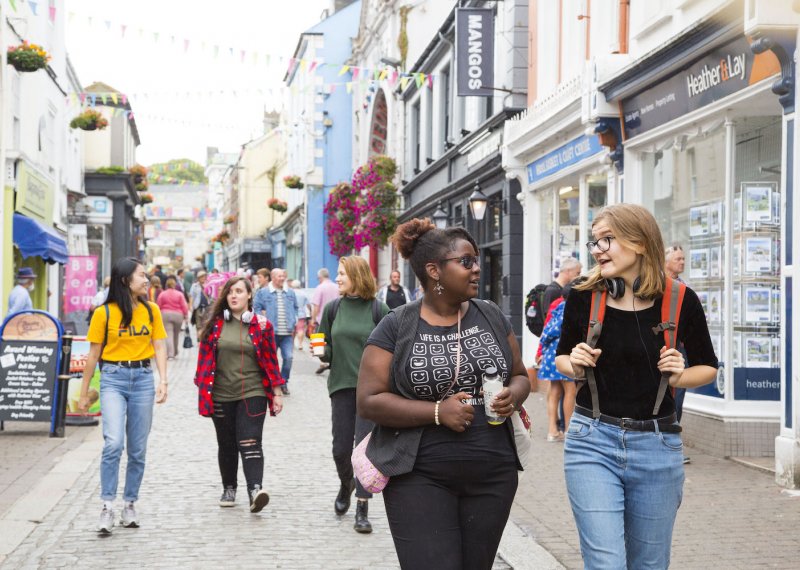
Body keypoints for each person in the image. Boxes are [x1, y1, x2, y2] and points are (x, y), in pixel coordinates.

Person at [358, 218, 530, 569]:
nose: (477, 269)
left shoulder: (491, 314)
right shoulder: (396, 325)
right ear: (434, 271)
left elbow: (519, 375)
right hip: (419, 476)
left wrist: (513, 395)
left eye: (477, 260)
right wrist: (437, 412)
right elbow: (369, 400)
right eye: (466, 262)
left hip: (492, 474)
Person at [555, 204, 718, 568]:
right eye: (594, 242)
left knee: (650, 564)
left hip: (658, 446)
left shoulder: (680, 300)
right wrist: (575, 363)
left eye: (607, 240)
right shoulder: (584, 294)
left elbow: (708, 368)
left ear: (640, 242)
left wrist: (680, 375)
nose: (597, 250)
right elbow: (561, 358)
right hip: (591, 442)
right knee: (607, 563)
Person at [78, 257, 169, 534]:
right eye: (141, 275)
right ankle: (107, 505)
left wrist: (163, 379)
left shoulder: (152, 311)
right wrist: (83, 394)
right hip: (113, 379)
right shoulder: (103, 314)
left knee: (138, 450)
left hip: (142, 379)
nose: (146, 279)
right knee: (113, 443)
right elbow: (93, 354)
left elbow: (160, 346)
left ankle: (129, 503)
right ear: (124, 281)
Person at [194, 276, 285, 513]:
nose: (233, 296)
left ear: (249, 296)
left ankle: (256, 490)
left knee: (250, 441)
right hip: (221, 394)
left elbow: (271, 361)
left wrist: (276, 392)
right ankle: (229, 487)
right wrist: (203, 388)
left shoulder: (262, 325)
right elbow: (203, 363)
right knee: (226, 444)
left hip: (252, 391)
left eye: (238, 291)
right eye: (230, 292)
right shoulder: (214, 325)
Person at [318, 256, 389, 534]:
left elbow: (393, 347)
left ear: (357, 276)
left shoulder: (378, 309)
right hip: (341, 387)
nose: (337, 279)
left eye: (342, 274)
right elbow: (322, 339)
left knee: (364, 449)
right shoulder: (333, 309)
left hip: (371, 392)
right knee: (340, 449)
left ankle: (362, 507)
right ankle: (345, 483)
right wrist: (320, 351)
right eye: (337, 274)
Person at [537, 282, 577, 442]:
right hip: (563, 353)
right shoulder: (571, 308)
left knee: (554, 391)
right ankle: (568, 430)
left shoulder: (558, 307)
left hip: (550, 355)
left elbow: (547, 332)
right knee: (570, 391)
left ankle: (552, 431)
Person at [253, 268, 299, 396]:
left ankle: (283, 381)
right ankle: (272, 382)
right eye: (279, 276)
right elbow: (256, 308)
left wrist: (294, 320)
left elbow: (296, 308)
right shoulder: (263, 292)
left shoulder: (290, 292)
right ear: (272, 277)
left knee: (288, 358)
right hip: (270, 333)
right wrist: (262, 321)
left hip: (287, 334)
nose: (282, 278)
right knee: (270, 360)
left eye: (283, 276)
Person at [665, 244, 690, 464]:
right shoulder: (659, 286)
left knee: (678, 396)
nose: (682, 262)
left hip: (681, 347)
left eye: (683, 259)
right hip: (664, 348)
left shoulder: (683, 287)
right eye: (677, 259)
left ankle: (673, 443)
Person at [310, 268, 340, 373]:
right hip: (337, 319)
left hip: (322, 320)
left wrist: (313, 320)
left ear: (320, 277)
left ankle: (324, 362)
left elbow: (316, 306)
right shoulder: (337, 287)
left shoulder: (320, 288)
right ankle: (334, 361)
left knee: (320, 342)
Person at [157, 277, 189, 360]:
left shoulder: (162, 294)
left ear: (166, 285)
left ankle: (170, 354)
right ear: (174, 285)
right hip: (178, 315)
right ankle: (175, 352)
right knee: (176, 334)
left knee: (168, 334)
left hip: (166, 315)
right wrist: (186, 316)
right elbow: (184, 306)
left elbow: (158, 305)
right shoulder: (179, 294)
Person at [289, 279, 310, 351]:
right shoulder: (303, 293)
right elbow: (308, 304)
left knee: (292, 329)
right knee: (300, 329)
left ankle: (291, 344)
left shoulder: (290, 292)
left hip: (291, 313)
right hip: (301, 313)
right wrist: (310, 311)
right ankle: (300, 344)